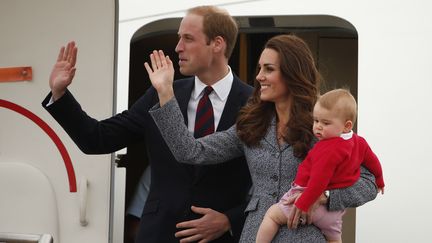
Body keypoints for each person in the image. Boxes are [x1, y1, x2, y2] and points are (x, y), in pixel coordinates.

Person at [42, 5, 253, 243]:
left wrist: (230, 220)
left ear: (217, 44)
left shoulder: (254, 104)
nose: (178, 47)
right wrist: (59, 94)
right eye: (178, 38)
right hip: (158, 235)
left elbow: (273, 182)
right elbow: (97, 139)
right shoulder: (160, 94)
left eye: (188, 38)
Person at [145, 34, 379, 242]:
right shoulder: (251, 125)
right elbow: (191, 151)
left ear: (292, 72)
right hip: (255, 235)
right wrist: (166, 93)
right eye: (259, 69)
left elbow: (370, 183)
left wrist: (325, 196)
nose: (259, 77)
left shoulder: (324, 125)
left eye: (269, 69)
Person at [255, 88, 385, 243]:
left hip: (307, 197)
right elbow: (373, 162)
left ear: (347, 125)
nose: (318, 127)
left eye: (325, 123)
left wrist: (304, 203)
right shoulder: (359, 142)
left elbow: (319, 180)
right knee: (334, 238)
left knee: (272, 216)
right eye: (316, 121)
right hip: (334, 213)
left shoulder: (328, 149)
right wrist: (380, 180)